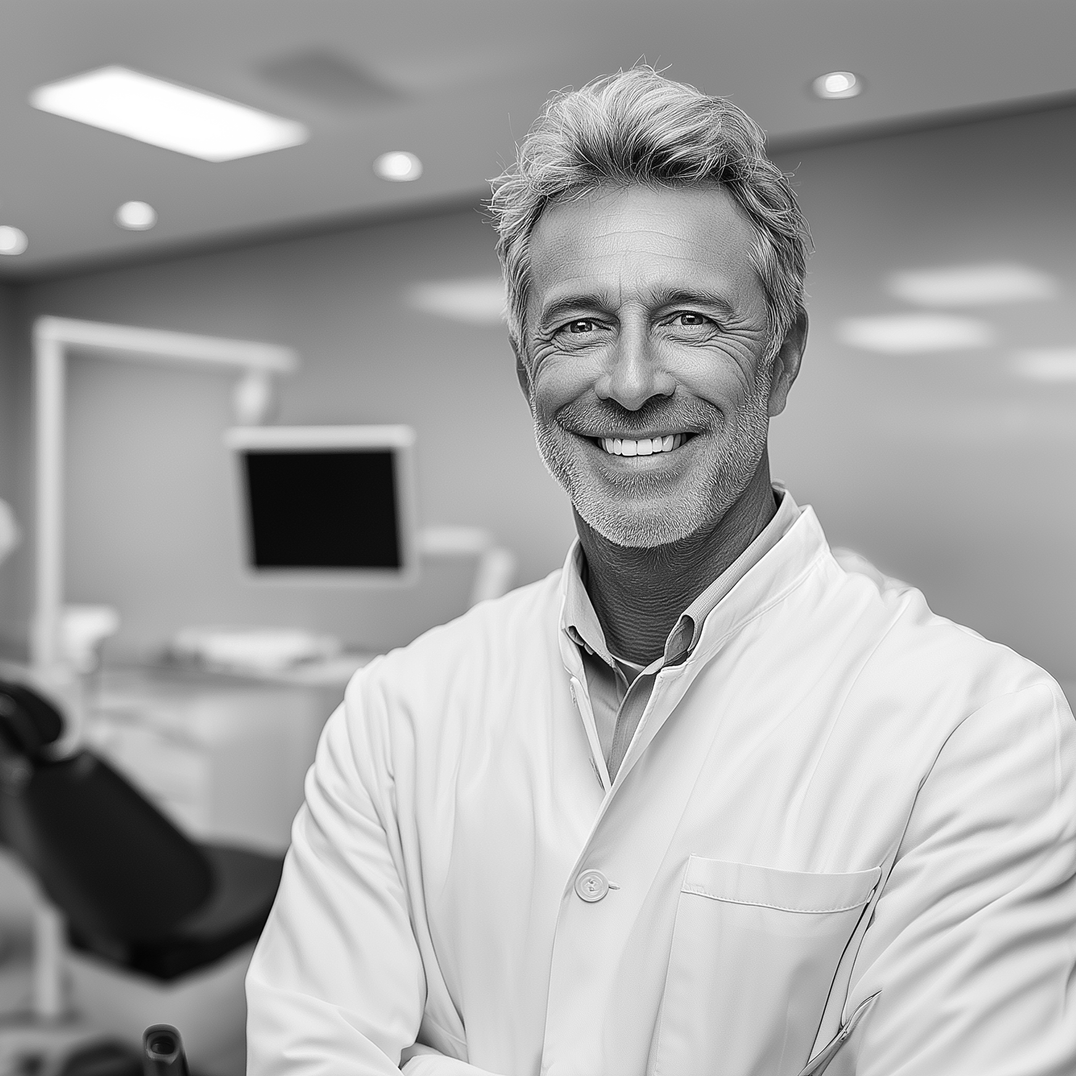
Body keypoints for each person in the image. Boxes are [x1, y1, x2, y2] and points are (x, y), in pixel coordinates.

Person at [246, 68, 1076, 1076]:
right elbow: (307, 1055)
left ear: (780, 357)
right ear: (526, 371)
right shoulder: (395, 713)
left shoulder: (975, 728)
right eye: (579, 323)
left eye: (687, 317)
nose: (630, 381)